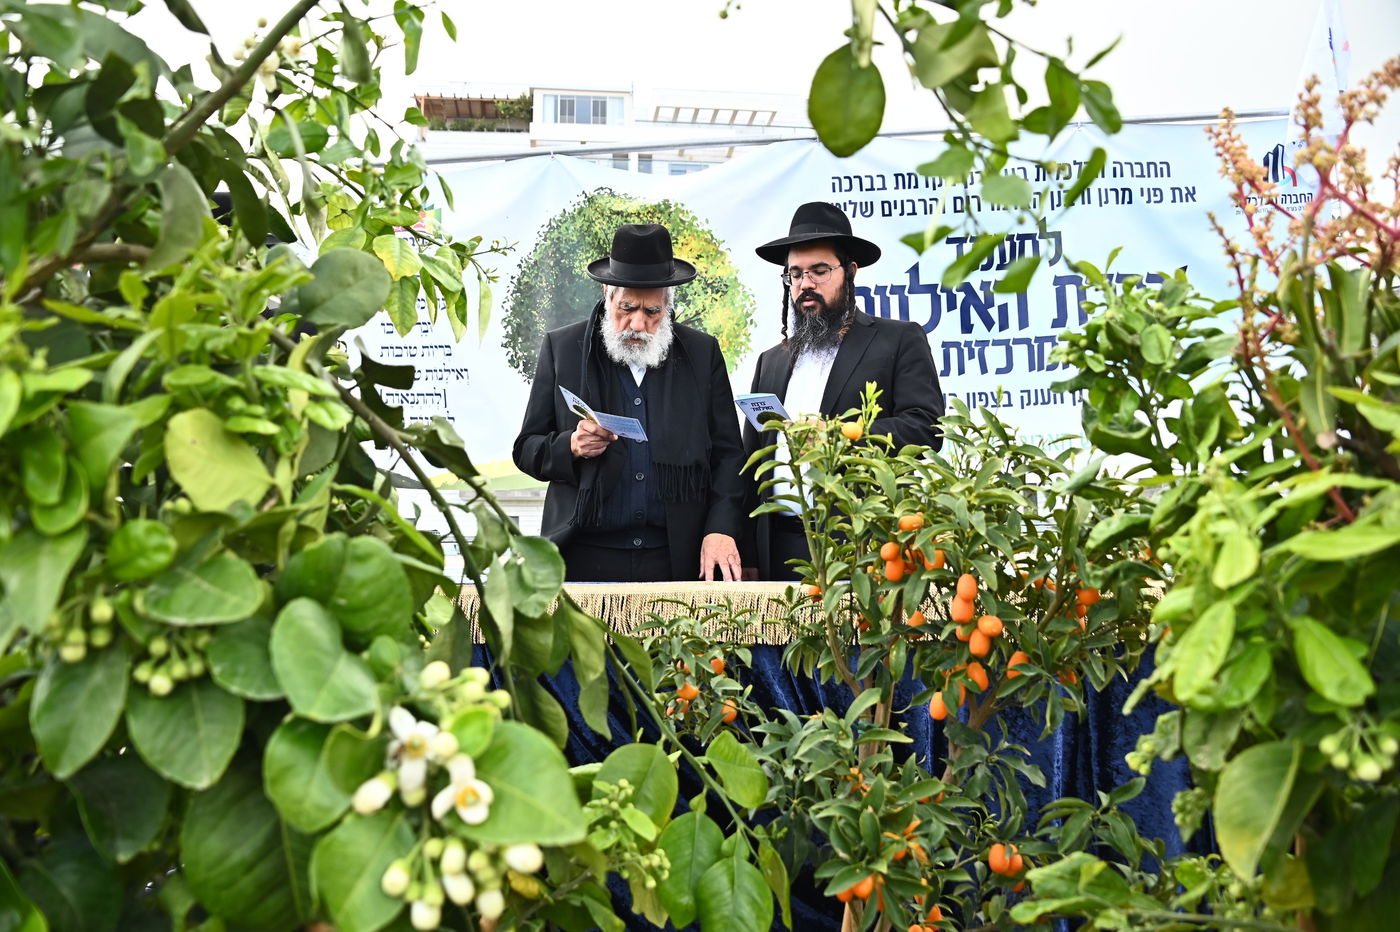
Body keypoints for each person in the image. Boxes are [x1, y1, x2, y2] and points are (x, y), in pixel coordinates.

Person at [513, 224, 746, 582]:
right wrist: (571, 446)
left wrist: (720, 529)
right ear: (607, 292)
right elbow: (526, 449)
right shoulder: (562, 350)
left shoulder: (702, 353)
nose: (638, 322)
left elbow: (729, 455)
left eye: (652, 311)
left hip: (676, 558)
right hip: (583, 553)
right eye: (627, 308)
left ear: (668, 303)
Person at [743, 201, 945, 580]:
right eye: (796, 274)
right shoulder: (770, 361)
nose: (806, 284)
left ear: (850, 272)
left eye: (820, 271)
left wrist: (838, 438)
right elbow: (750, 467)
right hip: (778, 551)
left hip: (862, 547)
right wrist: (749, 553)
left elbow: (926, 428)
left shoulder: (898, 340)